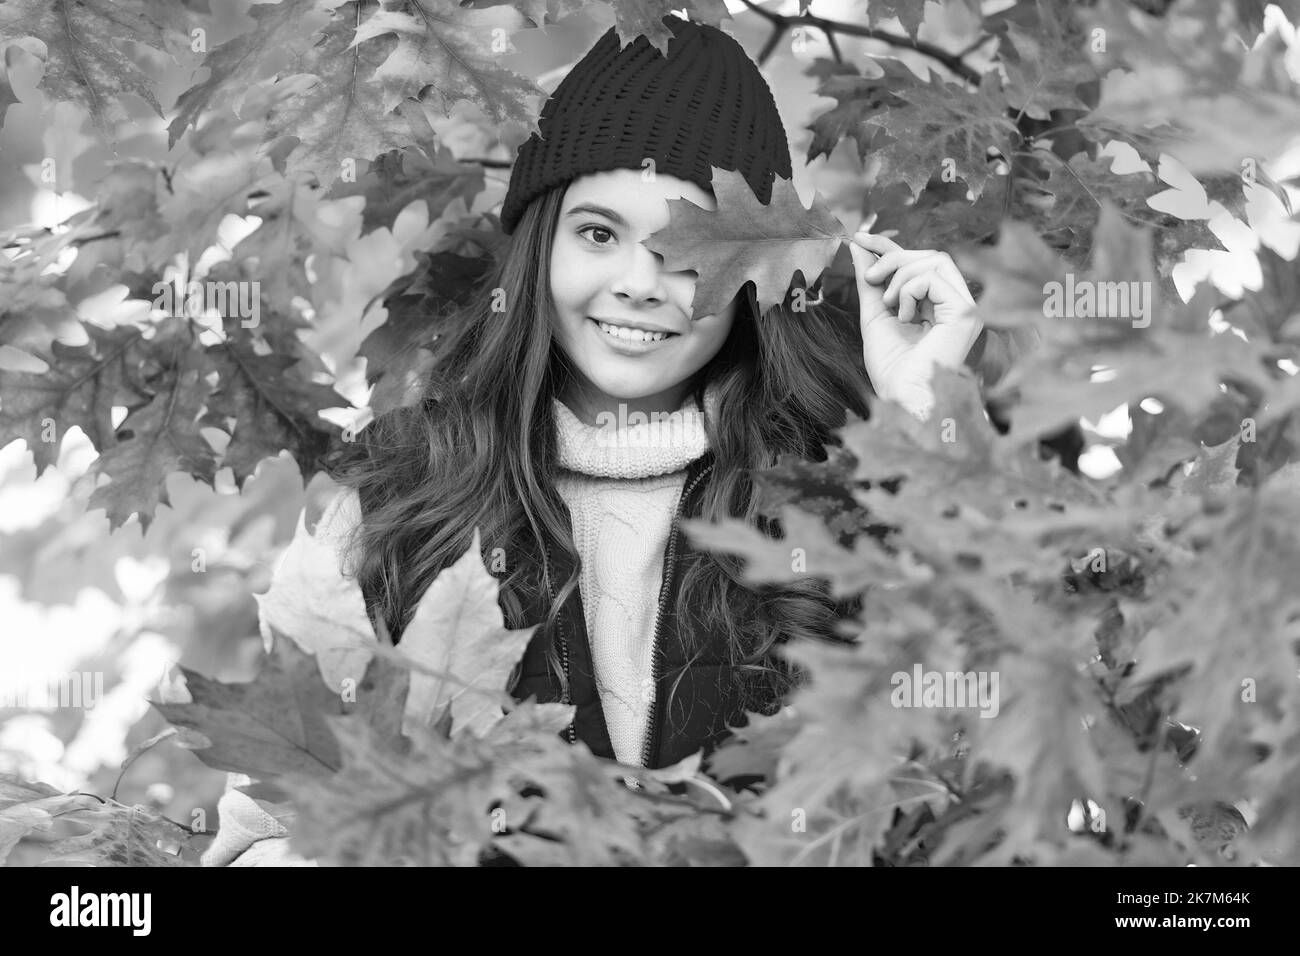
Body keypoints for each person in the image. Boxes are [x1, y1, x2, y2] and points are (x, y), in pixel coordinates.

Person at [202, 13, 982, 866]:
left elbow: (987, 777)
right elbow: (270, 837)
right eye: (600, 234)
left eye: (688, 246)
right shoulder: (396, 497)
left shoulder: (837, 499)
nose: (639, 285)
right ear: (542, 247)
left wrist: (926, 420)